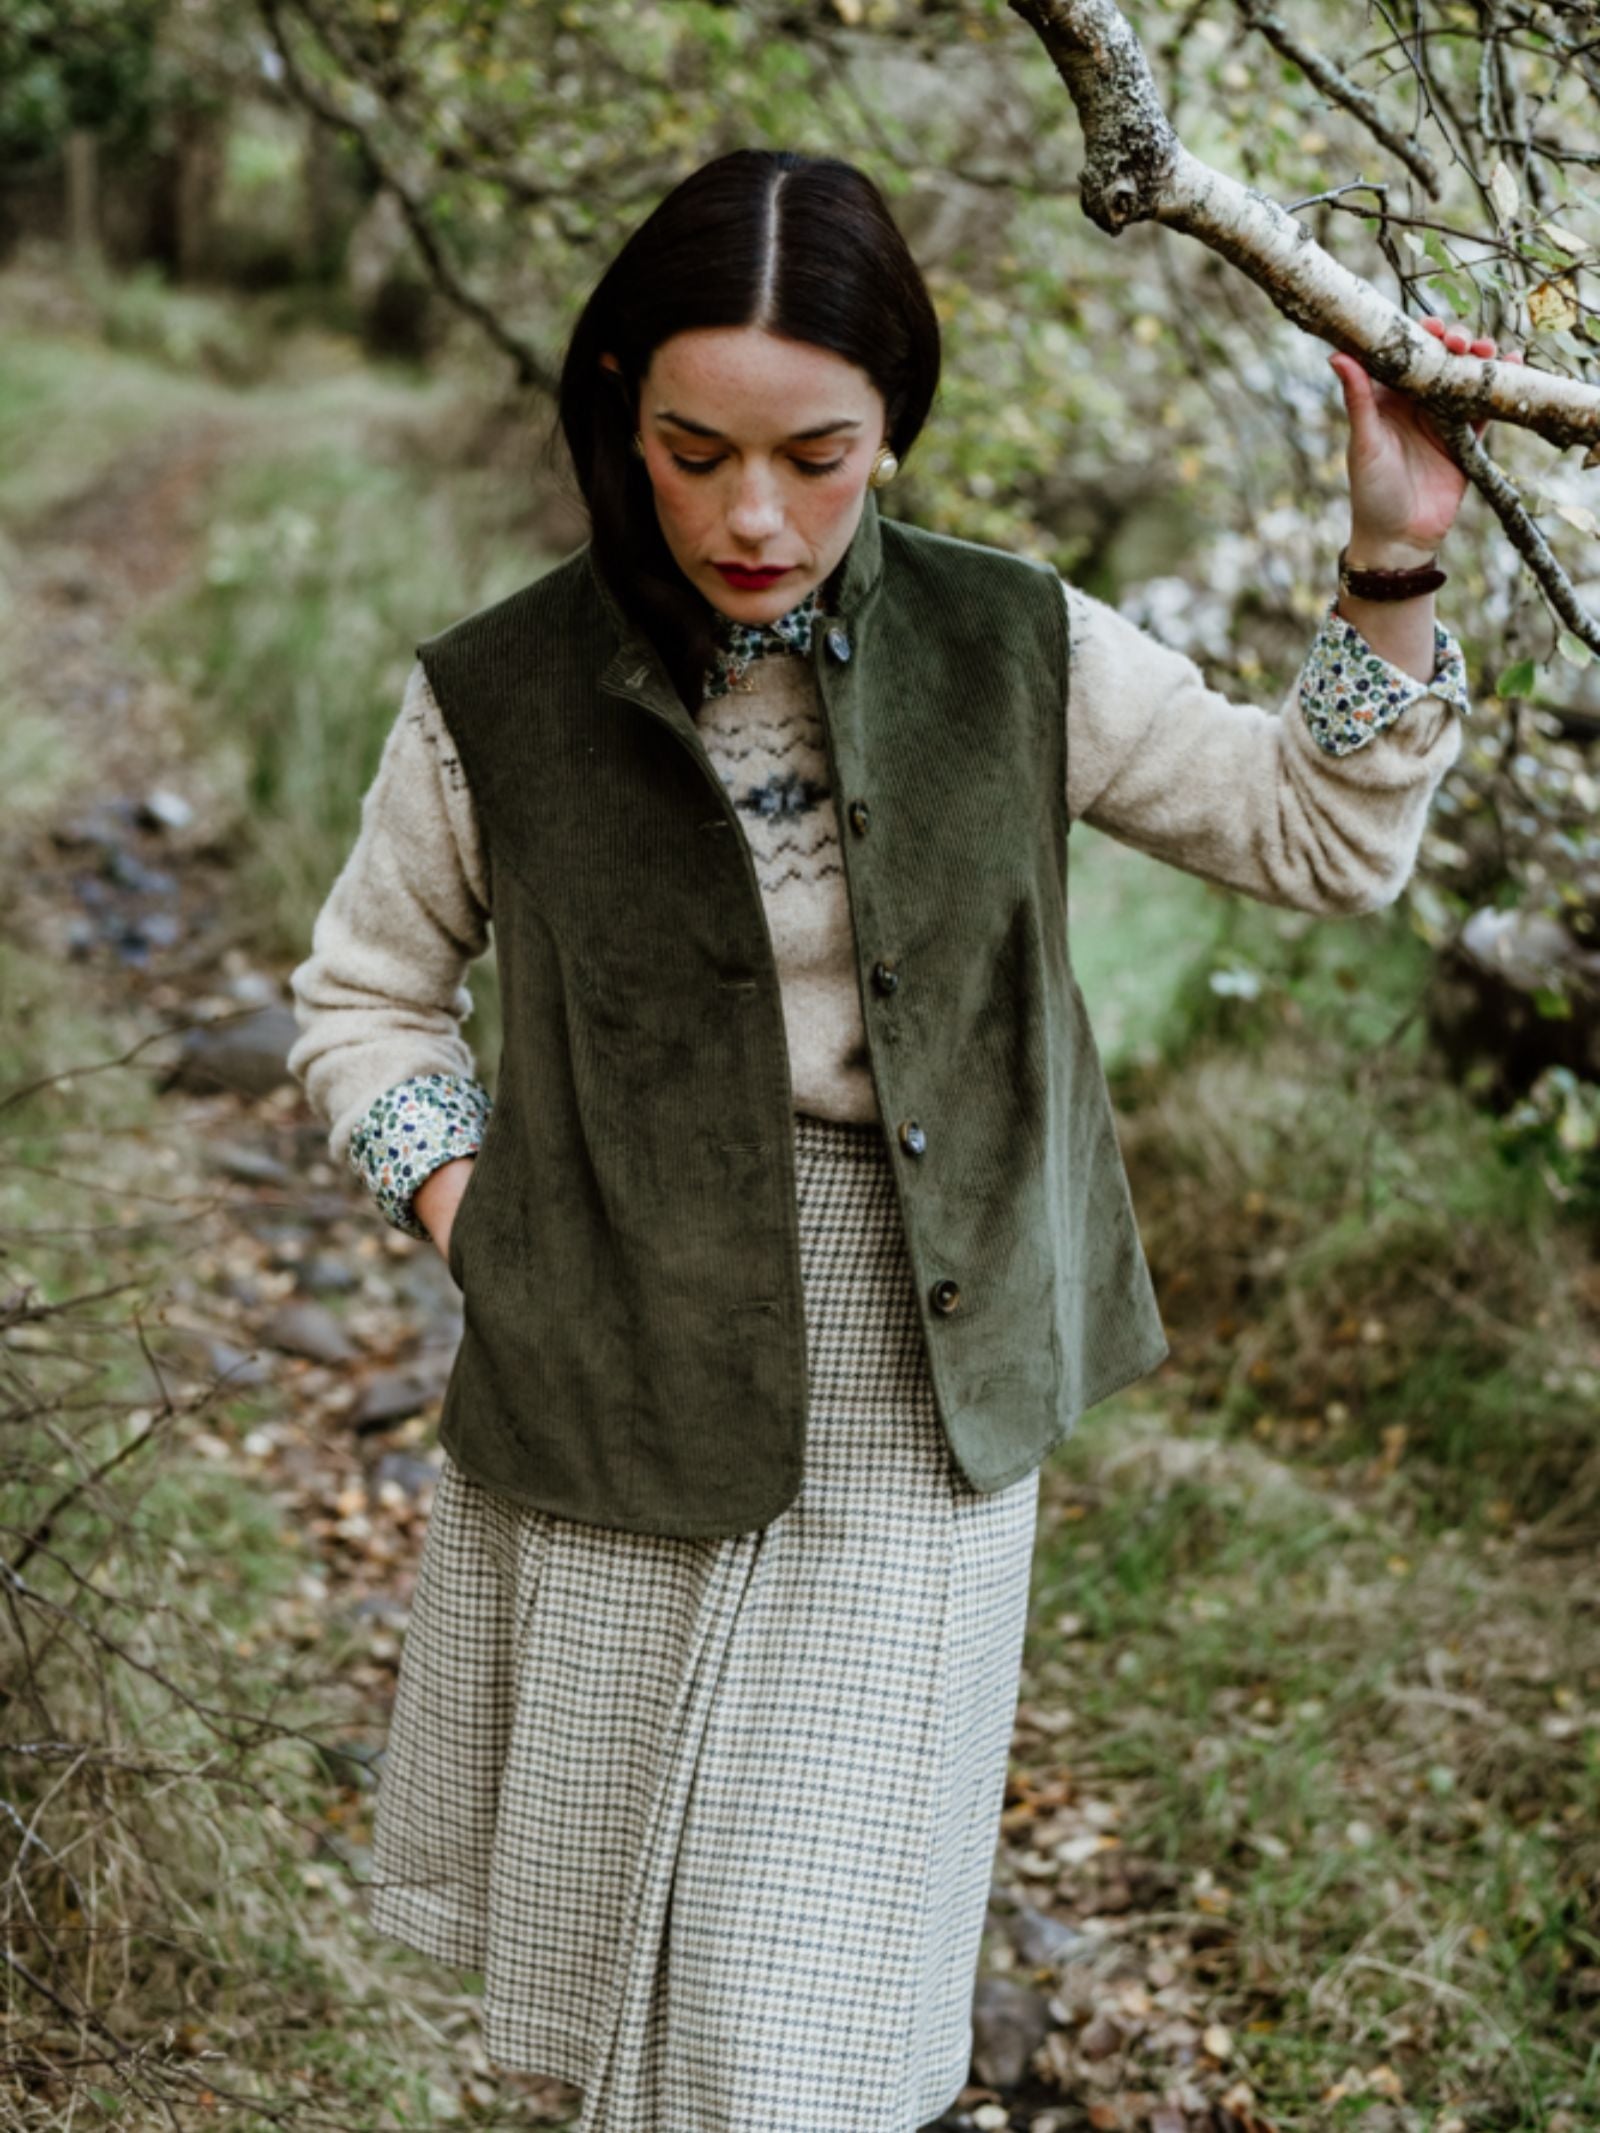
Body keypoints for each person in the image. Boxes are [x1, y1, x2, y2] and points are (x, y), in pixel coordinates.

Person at [286, 146, 1512, 2133]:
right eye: (693, 451)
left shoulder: (1014, 647)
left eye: (815, 452)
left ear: (893, 428)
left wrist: (1388, 559)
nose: (751, 512)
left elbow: (1316, 838)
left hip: (917, 1365)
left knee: (793, 2012)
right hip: (599, 1342)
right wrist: (477, 1217)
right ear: (619, 411)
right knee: (584, 1990)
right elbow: (360, 992)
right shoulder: (491, 698)